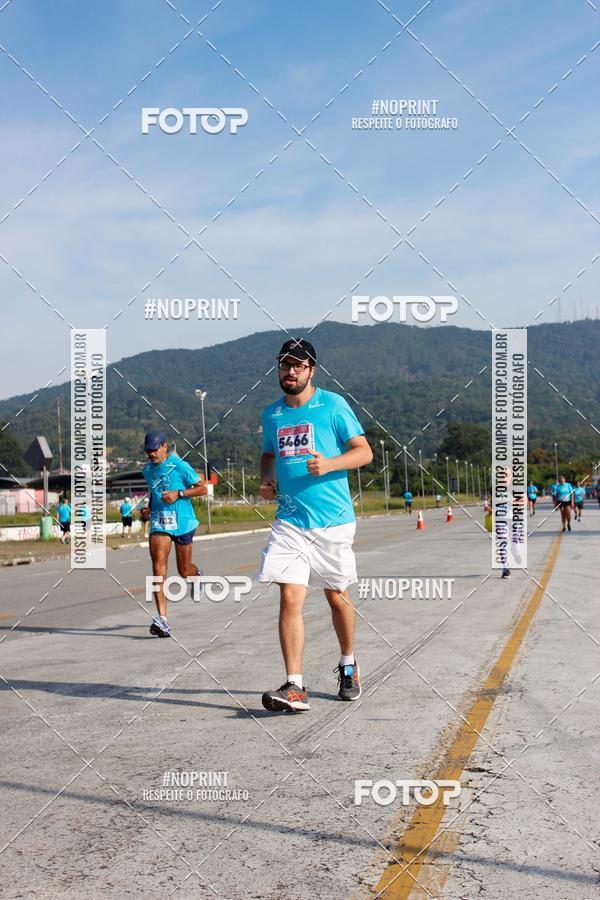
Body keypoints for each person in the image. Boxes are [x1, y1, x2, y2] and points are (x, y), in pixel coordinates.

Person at [258, 339, 373, 712]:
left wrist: (330, 464)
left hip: (332, 521)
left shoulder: (333, 405)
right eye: (284, 365)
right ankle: (295, 685)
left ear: (312, 370)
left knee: (336, 597)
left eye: (298, 365)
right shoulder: (272, 414)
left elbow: (364, 452)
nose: (290, 371)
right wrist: (266, 480)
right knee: (290, 595)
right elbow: (267, 453)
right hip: (290, 520)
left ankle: (348, 663)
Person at [142, 431, 205, 638]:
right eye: (148, 450)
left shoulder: (179, 465)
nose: (151, 454)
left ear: (165, 447)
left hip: (183, 522)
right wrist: (149, 509)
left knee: (184, 570)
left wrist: (179, 493)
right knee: (158, 567)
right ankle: (163, 620)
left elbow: (201, 488)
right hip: (160, 522)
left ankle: (197, 576)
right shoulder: (147, 470)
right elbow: (154, 491)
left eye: (155, 449)